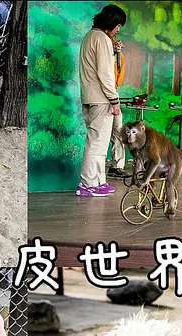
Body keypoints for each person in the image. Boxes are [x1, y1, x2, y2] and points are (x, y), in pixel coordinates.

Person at [77, 4, 126, 197]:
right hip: (101, 99)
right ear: (111, 22)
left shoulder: (90, 36)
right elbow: (105, 74)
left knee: (99, 142)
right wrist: (114, 101)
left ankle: (98, 181)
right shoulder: (102, 39)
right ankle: (87, 184)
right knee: (97, 143)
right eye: (118, 24)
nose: (119, 29)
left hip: (90, 96)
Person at [106, 35, 127, 180]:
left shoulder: (119, 56)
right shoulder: (103, 53)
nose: (116, 42)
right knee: (101, 134)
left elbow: (118, 75)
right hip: (101, 95)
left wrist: (117, 54)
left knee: (118, 132)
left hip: (113, 93)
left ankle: (117, 166)